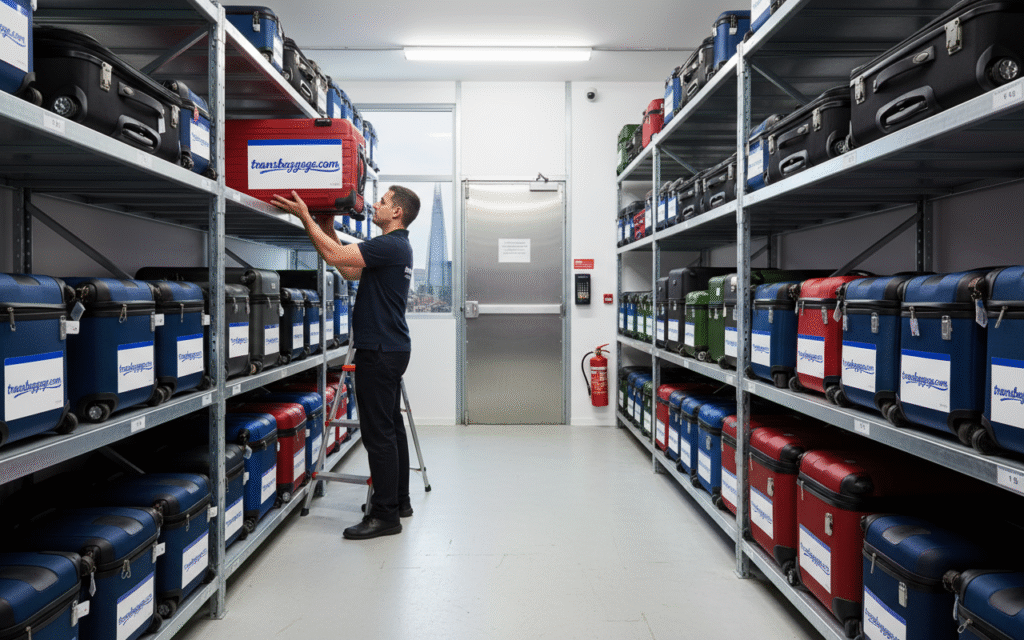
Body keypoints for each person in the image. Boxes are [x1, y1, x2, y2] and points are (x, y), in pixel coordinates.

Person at [273, 187, 419, 540]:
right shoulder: (394, 248)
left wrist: (306, 217)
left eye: (383, 202)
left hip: (380, 350)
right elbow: (347, 268)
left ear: (397, 212)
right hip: (391, 348)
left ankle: (384, 516)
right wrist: (327, 227)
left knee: (378, 433)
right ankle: (398, 501)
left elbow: (335, 254)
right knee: (390, 427)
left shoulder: (390, 244)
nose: (375, 205)